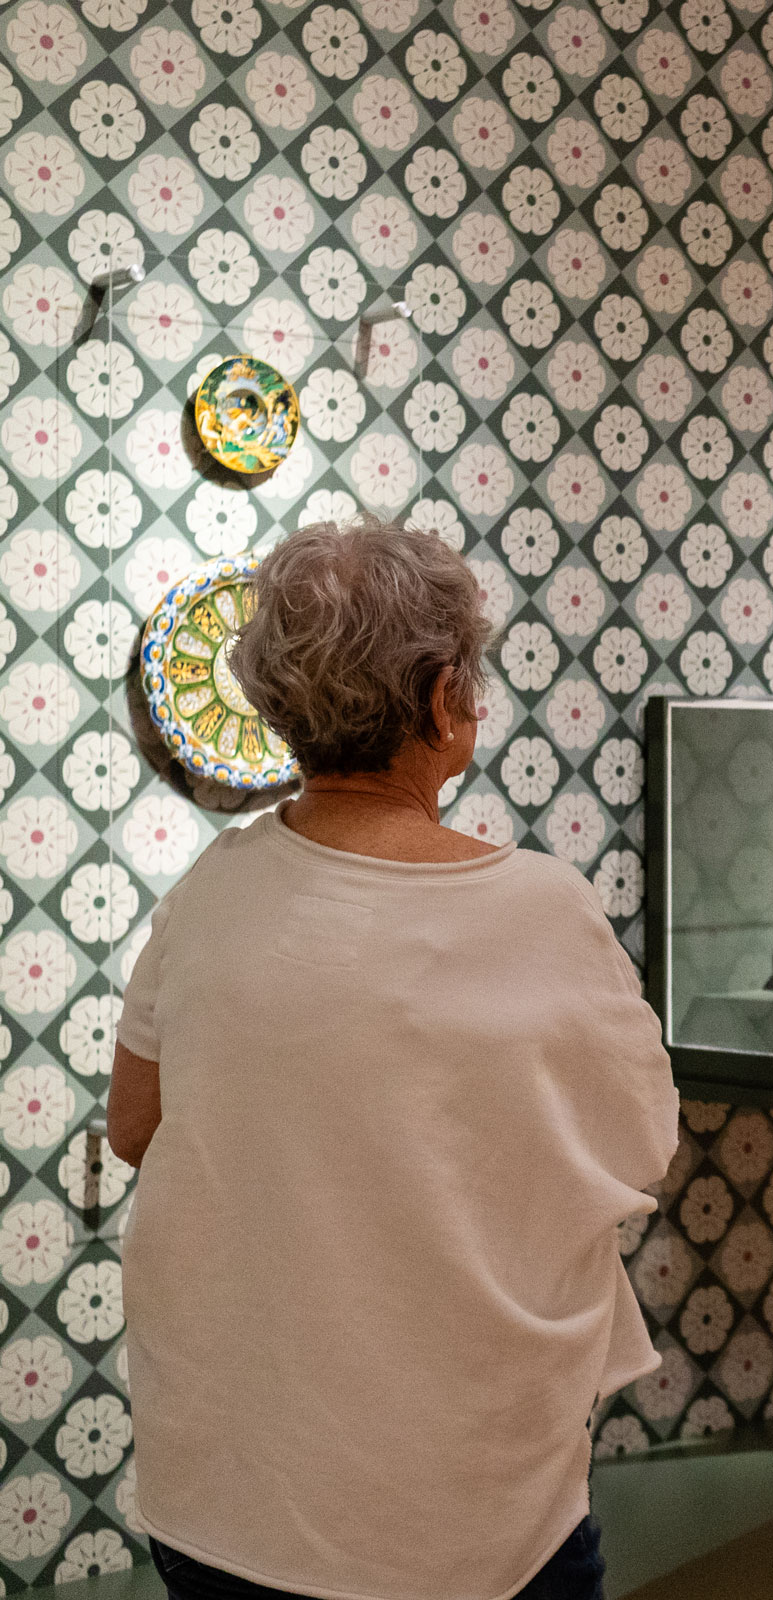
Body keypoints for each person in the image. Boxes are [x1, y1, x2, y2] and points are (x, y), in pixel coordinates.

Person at [108, 519, 679, 1600]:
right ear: (438, 703)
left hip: (226, 1491)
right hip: (470, 1508)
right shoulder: (542, 910)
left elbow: (135, 1126)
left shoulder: (207, 894)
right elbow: (642, 1143)